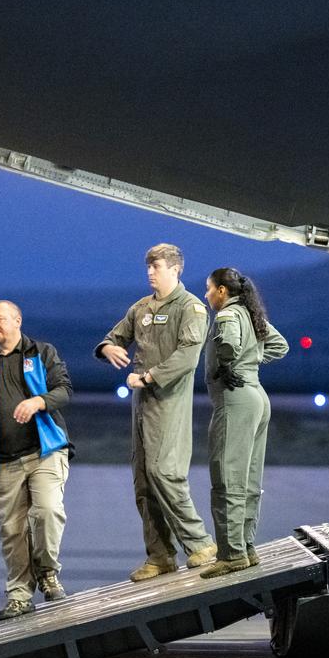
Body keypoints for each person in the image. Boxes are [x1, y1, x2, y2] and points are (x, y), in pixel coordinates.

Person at [96, 243, 216, 581]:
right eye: (148, 266)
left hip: (168, 399)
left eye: (157, 266)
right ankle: (160, 555)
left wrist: (149, 377)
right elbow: (114, 336)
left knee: (164, 471)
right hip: (141, 401)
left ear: (175, 269)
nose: (150, 272)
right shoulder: (141, 308)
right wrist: (108, 348)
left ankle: (200, 543)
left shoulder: (190, 308)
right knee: (143, 479)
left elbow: (188, 356)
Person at [0, 301, 74, 620]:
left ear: (17, 320)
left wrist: (38, 402)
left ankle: (47, 572)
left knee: (47, 511)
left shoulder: (41, 353)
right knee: (12, 530)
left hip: (44, 451)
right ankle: (19, 594)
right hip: (4, 460)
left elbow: (64, 390)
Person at [200, 268, 288, 578]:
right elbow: (280, 345)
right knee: (249, 478)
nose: (207, 295)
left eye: (209, 289)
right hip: (257, 396)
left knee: (228, 478)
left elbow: (228, 347)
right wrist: (252, 361)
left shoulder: (226, 315)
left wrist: (229, 364)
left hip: (235, 399)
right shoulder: (251, 314)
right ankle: (247, 547)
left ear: (222, 291)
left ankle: (232, 554)